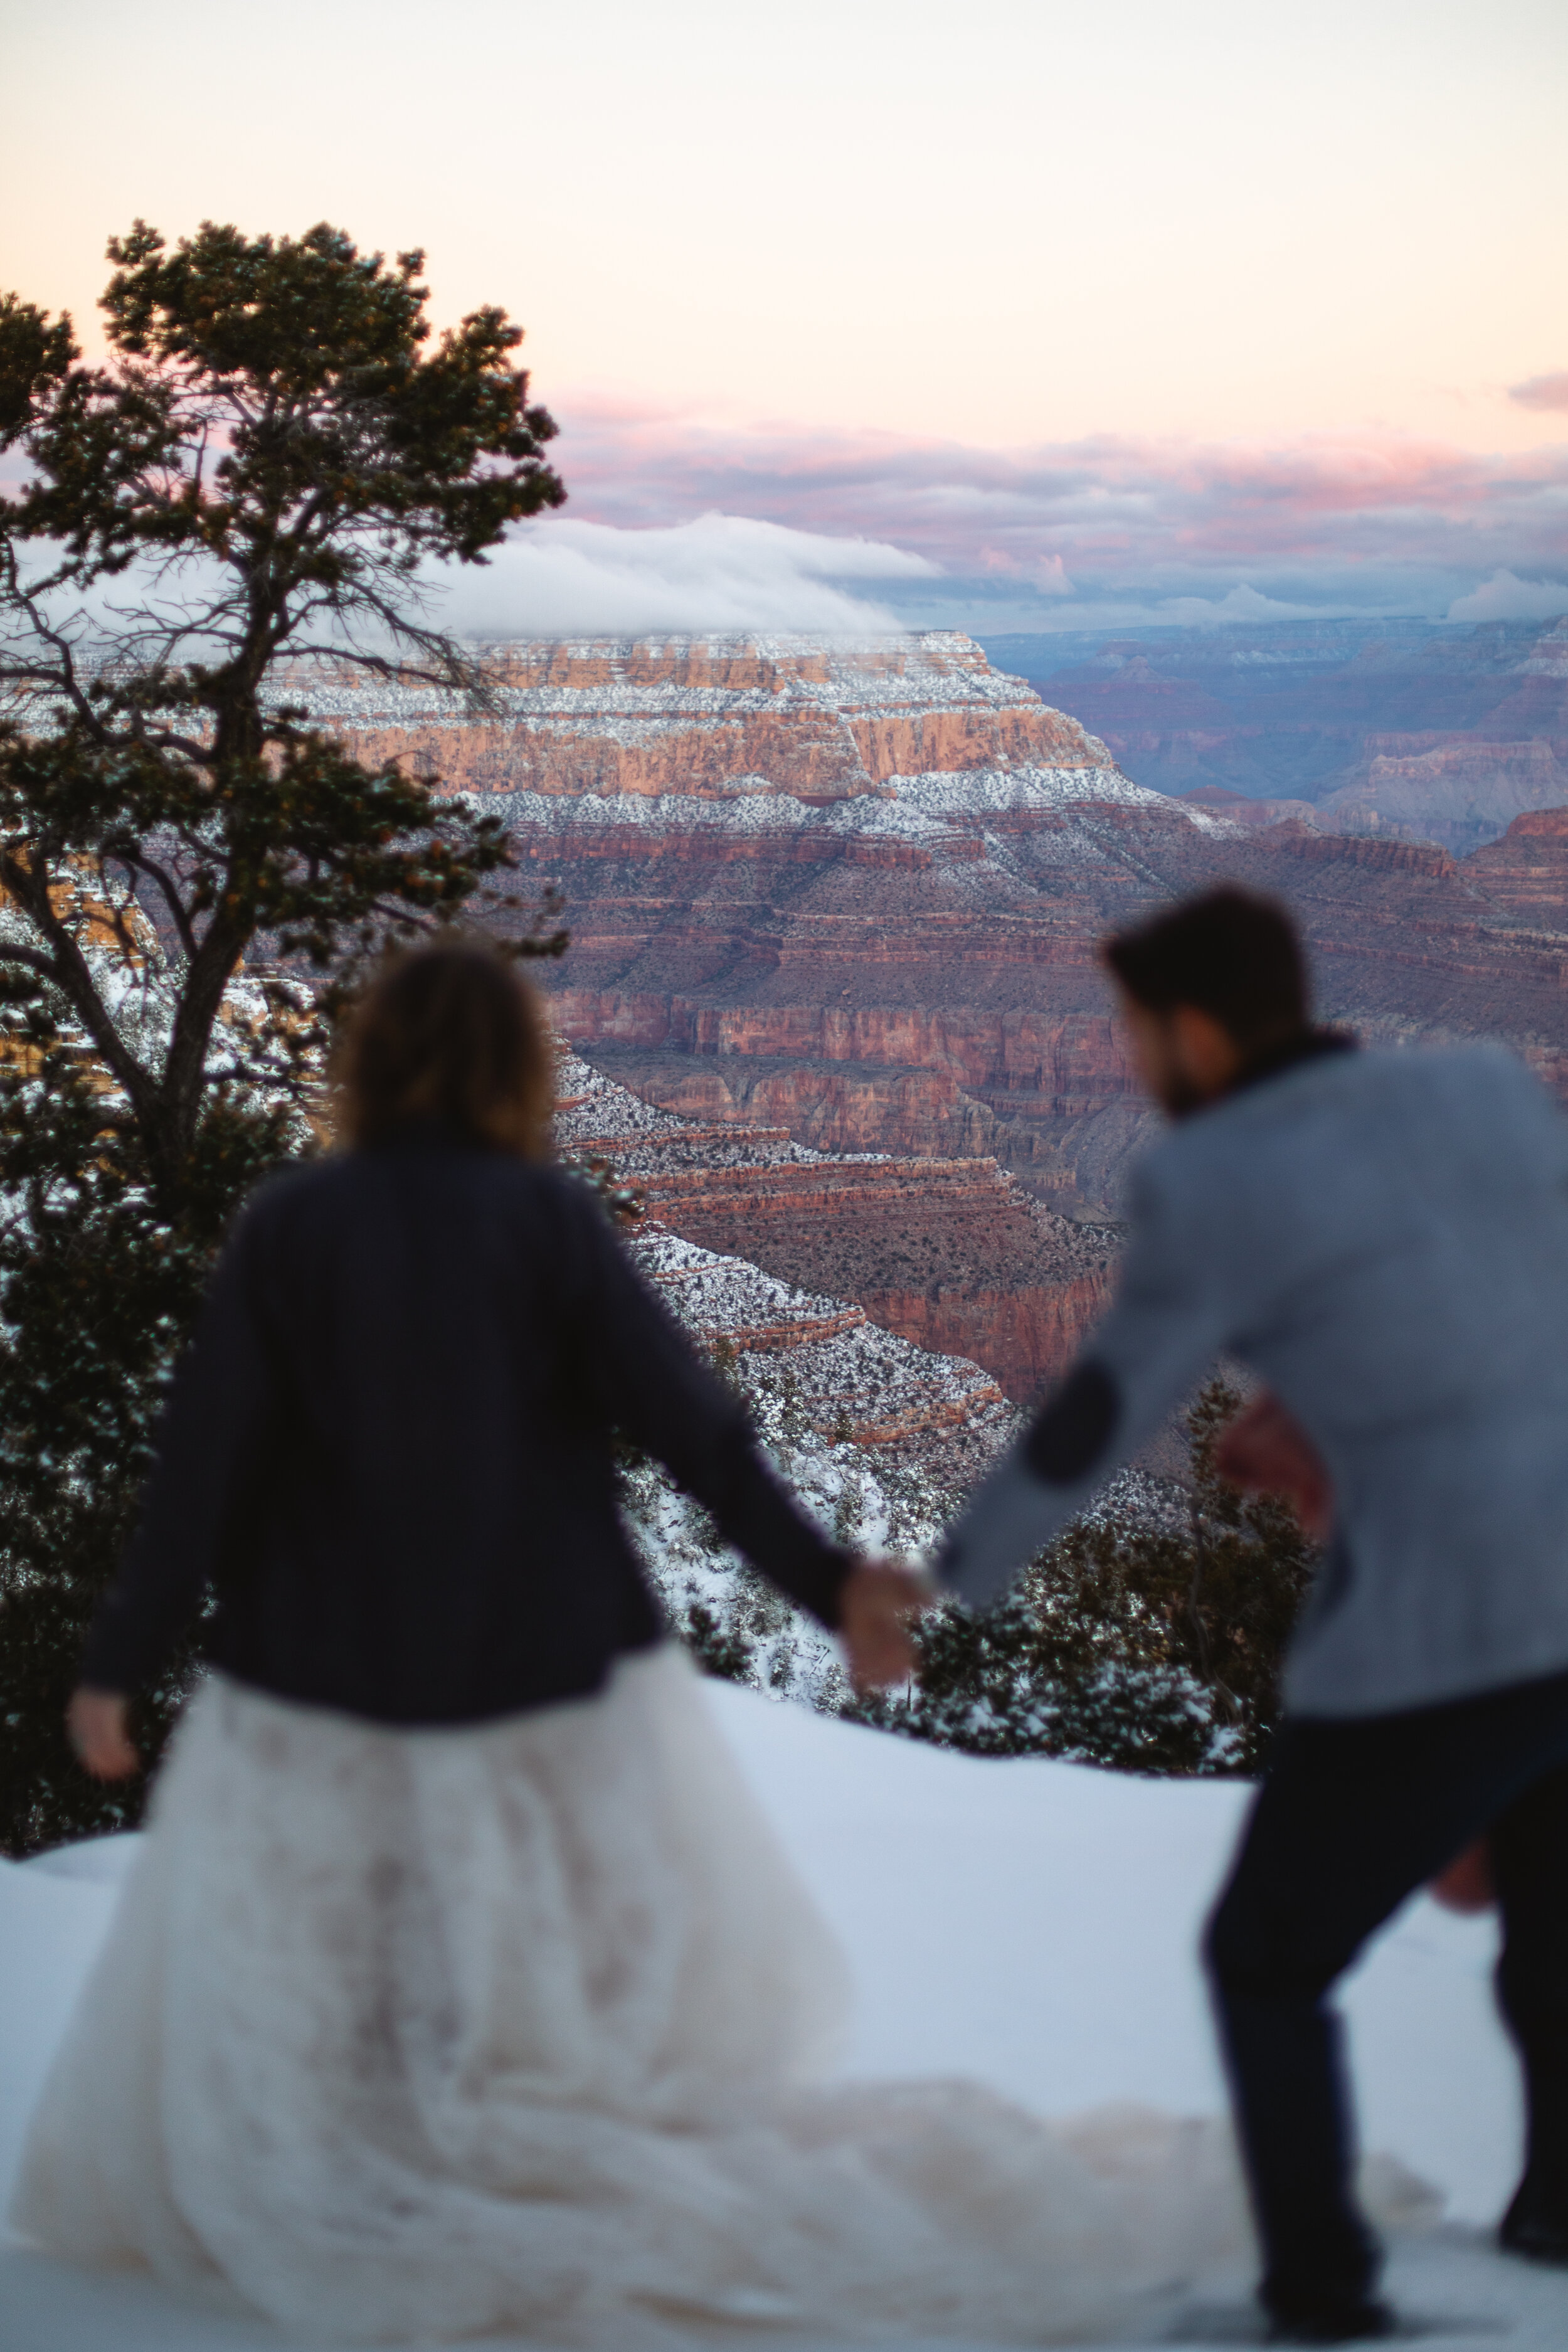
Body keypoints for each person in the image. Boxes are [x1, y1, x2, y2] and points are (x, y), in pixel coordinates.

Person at [14, 937, 1250, 2347]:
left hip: (321, 1669)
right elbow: (696, 1433)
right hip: (537, 1661)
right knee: (530, 1944)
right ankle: (489, 2150)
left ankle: (371, 2176)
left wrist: (117, 1661)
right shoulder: (546, 1220)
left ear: (375, 1066)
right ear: (513, 1071)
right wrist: (827, 1583)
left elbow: (201, 1464)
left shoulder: (290, 1226)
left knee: (352, 1936)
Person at [936, 886, 1568, 2345]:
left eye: (1132, 1030)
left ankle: (1320, 2291)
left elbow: (1100, 1408)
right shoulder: (1480, 1087)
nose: (1125, 1060)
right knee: (1550, 1920)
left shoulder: (1208, 1175)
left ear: (1197, 1032)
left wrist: (954, 1576)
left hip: (1440, 1628)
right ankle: (1555, 2209)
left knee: (1264, 1959)